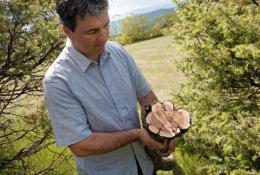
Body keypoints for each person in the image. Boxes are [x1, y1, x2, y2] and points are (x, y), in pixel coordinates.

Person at [43, 0, 175, 174]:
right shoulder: (57, 80)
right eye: (92, 31)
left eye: (106, 25)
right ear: (67, 31)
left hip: (145, 164)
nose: (104, 36)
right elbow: (81, 145)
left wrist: (165, 131)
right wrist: (136, 135)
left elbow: (146, 97)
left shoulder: (118, 52)